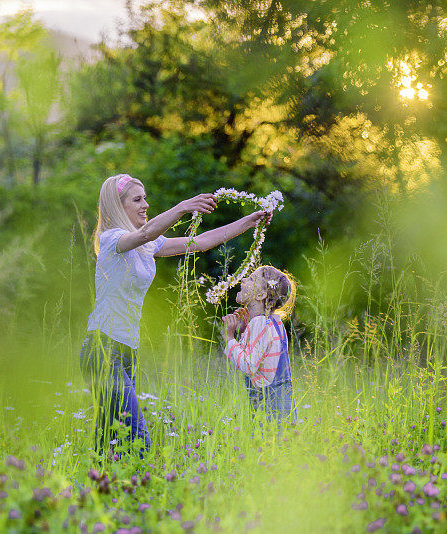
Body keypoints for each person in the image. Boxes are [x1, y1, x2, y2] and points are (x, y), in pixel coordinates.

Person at [79, 173, 270, 458]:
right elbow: (145, 232)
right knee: (137, 440)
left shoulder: (147, 245)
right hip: (101, 349)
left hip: (126, 352)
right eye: (137, 199)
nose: (145, 205)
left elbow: (200, 242)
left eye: (145, 198)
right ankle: (139, 495)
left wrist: (248, 222)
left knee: (110, 440)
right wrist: (183, 207)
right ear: (118, 206)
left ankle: (94, 495)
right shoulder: (111, 240)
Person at [221, 266, 297, 423]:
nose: (243, 280)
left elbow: (248, 366)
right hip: (285, 407)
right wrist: (243, 331)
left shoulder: (259, 323)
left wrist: (229, 338)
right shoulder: (273, 322)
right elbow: (260, 357)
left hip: (270, 409)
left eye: (250, 279)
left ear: (261, 294)